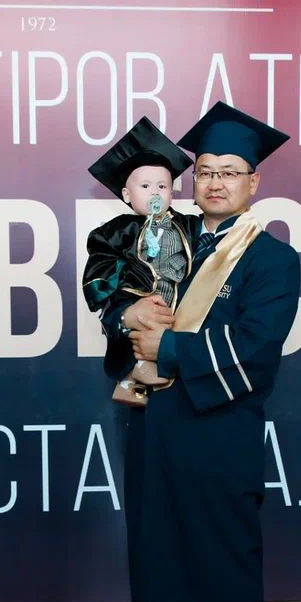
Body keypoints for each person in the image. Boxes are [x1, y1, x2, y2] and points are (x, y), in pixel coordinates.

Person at [102, 102, 300, 602]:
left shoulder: (271, 259)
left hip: (221, 433)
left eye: (230, 172)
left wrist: (169, 346)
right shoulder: (165, 238)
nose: (215, 182)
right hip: (153, 426)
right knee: (158, 555)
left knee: (228, 567)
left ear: (253, 183)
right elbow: (118, 298)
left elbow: (256, 349)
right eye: (206, 171)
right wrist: (126, 314)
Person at [82, 116, 197, 403]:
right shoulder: (117, 231)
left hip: (177, 299)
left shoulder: (188, 226)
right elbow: (101, 264)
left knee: (170, 329)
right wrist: (127, 281)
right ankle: (135, 373)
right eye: (145, 186)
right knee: (139, 328)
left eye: (162, 186)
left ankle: (146, 375)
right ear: (126, 194)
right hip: (140, 295)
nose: (155, 192)